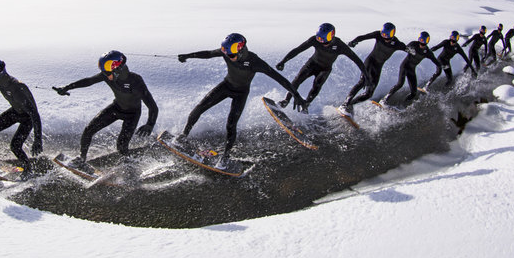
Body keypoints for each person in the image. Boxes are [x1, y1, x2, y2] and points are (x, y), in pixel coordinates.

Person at [176, 33, 302, 163]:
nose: (230, 58)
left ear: (241, 50)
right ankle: (183, 136)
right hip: (226, 86)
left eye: (232, 55)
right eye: (227, 54)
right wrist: (188, 56)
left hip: (241, 93)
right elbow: (208, 54)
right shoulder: (227, 52)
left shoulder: (255, 61)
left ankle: (225, 157)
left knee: (231, 125)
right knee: (199, 108)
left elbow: (279, 78)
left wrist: (296, 95)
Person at [53, 50, 157, 164]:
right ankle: (81, 159)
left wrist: (149, 124)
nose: (106, 75)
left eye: (108, 71)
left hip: (132, 115)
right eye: (104, 71)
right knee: (88, 130)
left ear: (118, 68)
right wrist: (67, 87)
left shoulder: (135, 81)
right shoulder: (107, 75)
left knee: (121, 147)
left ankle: (133, 163)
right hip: (116, 108)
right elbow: (89, 81)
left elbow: (152, 106)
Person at [276, 23, 368, 110]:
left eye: (323, 39)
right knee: (297, 80)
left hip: (325, 70)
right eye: (319, 38)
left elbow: (356, 60)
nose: (320, 41)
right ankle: (286, 101)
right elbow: (298, 50)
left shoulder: (340, 45)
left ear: (331, 36)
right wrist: (283, 61)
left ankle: (306, 105)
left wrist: (366, 76)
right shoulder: (314, 40)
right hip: (311, 65)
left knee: (316, 86)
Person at [341, 22, 407, 114]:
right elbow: (363, 37)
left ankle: (351, 104)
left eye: (388, 35)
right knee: (362, 82)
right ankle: (344, 105)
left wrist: (412, 50)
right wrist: (354, 41)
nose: (385, 37)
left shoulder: (397, 43)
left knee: (368, 94)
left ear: (393, 33)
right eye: (383, 34)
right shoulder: (378, 35)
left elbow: (407, 49)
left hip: (378, 67)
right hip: (370, 62)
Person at [380, 31, 441, 105]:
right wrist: (409, 49)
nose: (422, 43)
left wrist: (440, 68)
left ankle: (403, 105)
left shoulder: (427, 52)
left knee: (414, 93)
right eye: (421, 40)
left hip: (411, 70)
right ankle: (384, 100)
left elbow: (436, 62)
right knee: (400, 84)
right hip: (405, 66)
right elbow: (405, 47)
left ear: (428, 41)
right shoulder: (414, 44)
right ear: (419, 39)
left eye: (425, 41)